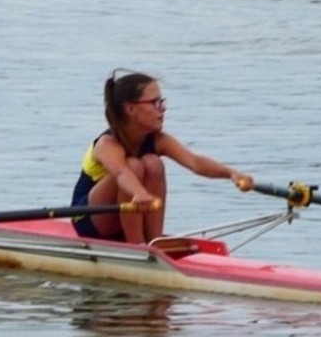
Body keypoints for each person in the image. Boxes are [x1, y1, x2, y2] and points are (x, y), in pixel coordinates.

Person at [70, 70, 252, 244]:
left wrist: (231, 173)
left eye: (162, 102)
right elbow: (121, 173)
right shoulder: (107, 144)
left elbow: (195, 162)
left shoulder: (158, 140)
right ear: (131, 109)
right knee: (133, 166)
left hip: (127, 210)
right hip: (89, 220)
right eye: (155, 103)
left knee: (153, 163)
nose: (163, 109)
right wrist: (139, 193)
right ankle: (138, 246)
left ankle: (155, 241)